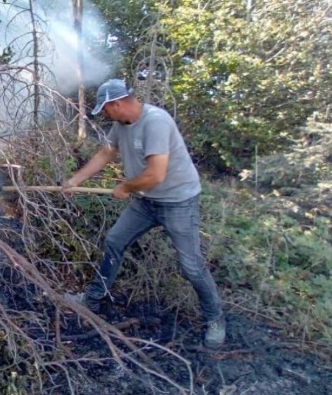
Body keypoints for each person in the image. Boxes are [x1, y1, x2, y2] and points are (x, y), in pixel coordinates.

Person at [64, 78, 226, 348]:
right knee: (115, 241)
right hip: (146, 201)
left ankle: (215, 319)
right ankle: (93, 299)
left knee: (191, 266)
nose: (105, 115)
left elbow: (155, 174)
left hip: (178, 202)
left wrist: (125, 187)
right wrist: (75, 180)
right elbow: (105, 153)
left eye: (106, 109)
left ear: (117, 104)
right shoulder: (121, 124)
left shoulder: (156, 122)